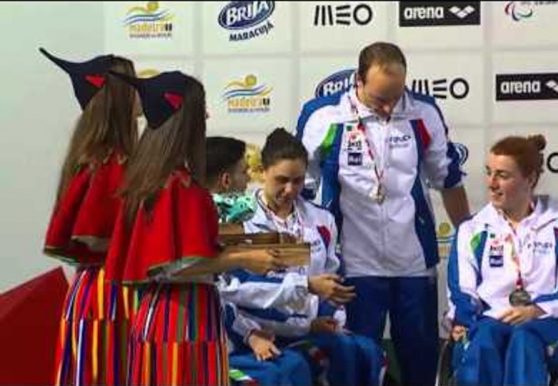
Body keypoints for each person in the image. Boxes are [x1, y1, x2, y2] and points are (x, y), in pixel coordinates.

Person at [295, 41, 469, 384]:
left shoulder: (423, 112)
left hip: (413, 260)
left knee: (420, 358)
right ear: (358, 80)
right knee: (357, 358)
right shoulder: (323, 116)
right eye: (380, 98)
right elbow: (298, 185)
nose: (389, 106)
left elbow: (447, 179)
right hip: (353, 261)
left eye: (396, 95)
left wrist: (470, 240)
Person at [104, 71, 284, 386]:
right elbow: (174, 266)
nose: (207, 117)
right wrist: (244, 258)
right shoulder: (176, 184)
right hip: (180, 321)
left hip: (174, 317)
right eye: (200, 111)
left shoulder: (153, 178)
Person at [218, 128, 385, 386]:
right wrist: (254, 333)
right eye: (281, 180)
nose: (289, 189)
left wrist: (333, 318)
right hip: (259, 335)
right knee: (289, 370)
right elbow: (233, 292)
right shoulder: (239, 223)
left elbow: (332, 284)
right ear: (262, 171)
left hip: (313, 328)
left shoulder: (321, 220)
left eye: (297, 181)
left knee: (363, 351)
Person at [446, 135, 558, 386]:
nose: (491, 183)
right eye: (488, 172)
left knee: (524, 338)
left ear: (531, 179)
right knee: (484, 339)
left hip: (548, 322)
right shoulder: (472, 229)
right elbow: (462, 290)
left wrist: (535, 310)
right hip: (491, 321)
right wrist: (464, 320)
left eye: (503, 175)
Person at [40, 48, 139, 386]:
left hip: (99, 294)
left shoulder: (100, 157)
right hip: (111, 298)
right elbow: (103, 236)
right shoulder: (111, 163)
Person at [205, 136, 312, 386]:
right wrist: (308, 287)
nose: (249, 181)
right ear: (226, 180)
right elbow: (223, 290)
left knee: (294, 366)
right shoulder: (213, 225)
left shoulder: (226, 222)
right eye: (245, 172)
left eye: (297, 180)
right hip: (207, 340)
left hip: (240, 332)